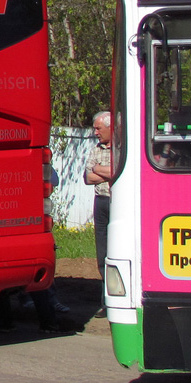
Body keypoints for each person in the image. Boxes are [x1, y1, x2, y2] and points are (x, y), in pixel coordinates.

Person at [85, 111, 113, 281]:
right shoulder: (96, 150)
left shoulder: (122, 148)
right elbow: (88, 178)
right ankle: (104, 284)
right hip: (100, 202)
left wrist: (97, 168)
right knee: (101, 246)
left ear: (111, 128)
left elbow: (120, 171)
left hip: (116, 202)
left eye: (98, 128)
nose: (95, 132)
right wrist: (108, 172)